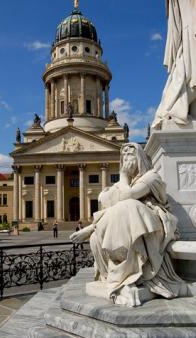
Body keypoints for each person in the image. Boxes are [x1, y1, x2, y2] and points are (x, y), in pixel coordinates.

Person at [70, 143, 187, 307]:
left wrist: (123, 175)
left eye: (130, 156)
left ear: (139, 158)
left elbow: (128, 196)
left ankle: (128, 275)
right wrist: (93, 227)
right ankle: (119, 270)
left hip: (155, 224)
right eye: (123, 157)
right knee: (122, 211)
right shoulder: (129, 182)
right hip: (136, 220)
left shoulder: (151, 176)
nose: (126, 161)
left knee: (129, 206)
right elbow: (108, 203)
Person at [152, 0, 196, 129]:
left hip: (189, 33)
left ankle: (172, 108)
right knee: (188, 74)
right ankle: (173, 108)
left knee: (186, 74)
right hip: (190, 33)